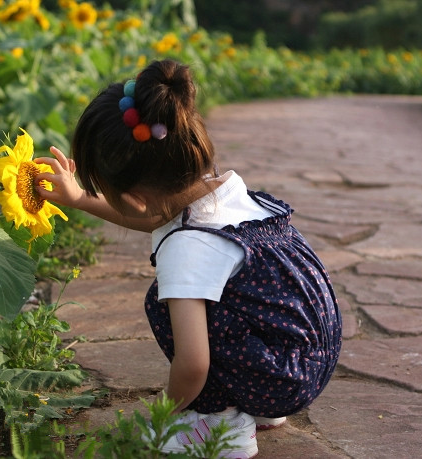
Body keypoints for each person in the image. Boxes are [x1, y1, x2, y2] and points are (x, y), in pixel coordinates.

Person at [35, 59, 342, 458]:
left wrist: (165, 410)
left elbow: (194, 364)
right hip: (308, 359)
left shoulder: (187, 247)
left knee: (165, 302)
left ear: (134, 198)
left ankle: (218, 426)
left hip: (282, 380)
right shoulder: (226, 196)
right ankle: (257, 404)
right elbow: (154, 217)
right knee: (219, 300)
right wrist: (78, 198)